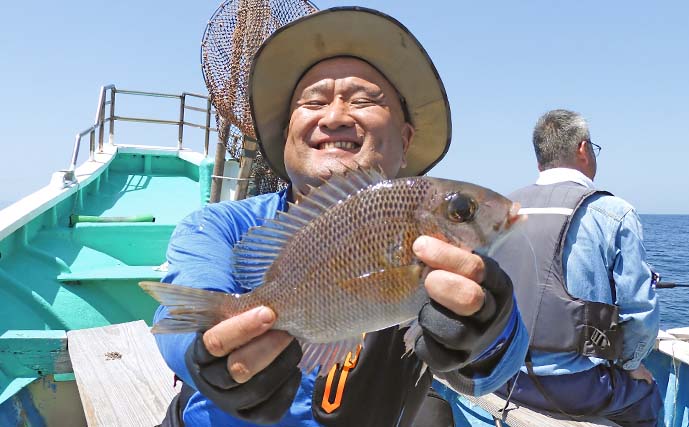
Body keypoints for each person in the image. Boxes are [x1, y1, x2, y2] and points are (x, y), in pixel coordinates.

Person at [154, 7, 528, 427]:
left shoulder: (445, 252)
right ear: (288, 136)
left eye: (364, 100)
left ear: (405, 140)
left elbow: (494, 368)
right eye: (312, 102)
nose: (333, 117)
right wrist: (204, 354)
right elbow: (179, 317)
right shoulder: (218, 227)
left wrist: (488, 328)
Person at [494, 109, 662, 426]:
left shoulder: (504, 208)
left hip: (502, 374)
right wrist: (632, 365)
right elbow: (639, 314)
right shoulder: (614, 212)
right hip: (572, 387)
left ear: (539, 159)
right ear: (583, 149)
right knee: (649, 397)